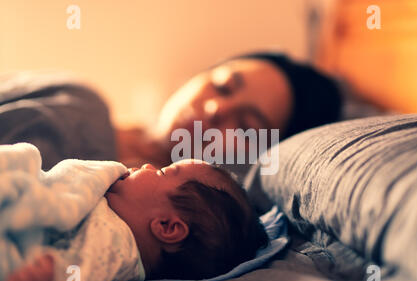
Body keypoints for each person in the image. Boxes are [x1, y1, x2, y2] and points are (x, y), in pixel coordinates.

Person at [0, 52, 342, 172]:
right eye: (222, 86)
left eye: (246, 126)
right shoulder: (75, 96)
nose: (215, 109)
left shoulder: (148, 228)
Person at [5, 159, 268, 281]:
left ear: (166, 226)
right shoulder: (114, 209)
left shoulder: (118, 247)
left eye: (163, 173)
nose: (148, 166)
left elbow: (81, 274)